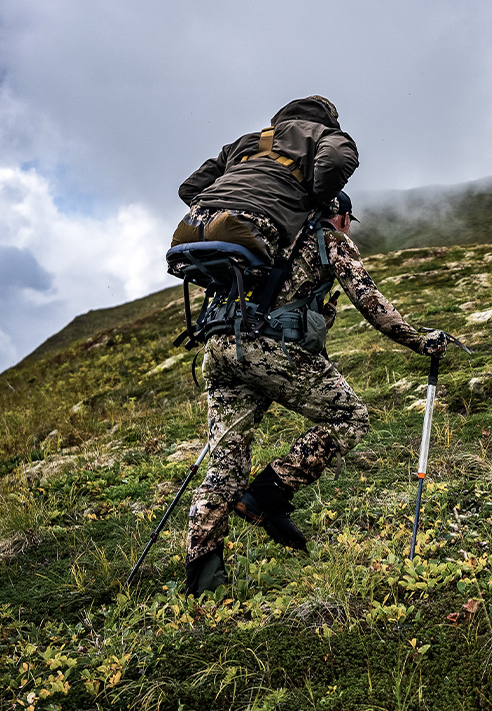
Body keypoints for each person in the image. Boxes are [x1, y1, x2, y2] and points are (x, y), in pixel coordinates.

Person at [177, 98, 446, 595]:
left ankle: (202, 581)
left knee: (225, 459)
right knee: (349, 418)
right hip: (267, 347)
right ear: (339, 211)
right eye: (350, 218)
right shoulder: (324, 231)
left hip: (218, 345)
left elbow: (191, 189)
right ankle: (267, 494)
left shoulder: (251, 170)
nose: (349, 227)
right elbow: (372, 304)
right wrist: (421, 341)